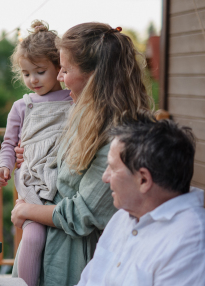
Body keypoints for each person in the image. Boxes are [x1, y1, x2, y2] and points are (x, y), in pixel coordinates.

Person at [10, 22, 153, 286]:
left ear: (94, 75)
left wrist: (27, 210)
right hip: (52, 246)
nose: (60, 77)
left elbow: (82, 214)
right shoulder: (82, 114)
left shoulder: (119, 135)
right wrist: (30, 158)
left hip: (78, 260)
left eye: (65, 69)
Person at [77, 113, 205, 285]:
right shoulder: (123, 216)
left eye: (112, 168)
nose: (105, 177)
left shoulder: (191, 243)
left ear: (143, 180)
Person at [0, 20, 72, 286]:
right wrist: (4, 166)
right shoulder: (22, 106)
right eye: (26, 74)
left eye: (40, 71)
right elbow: (8, 143)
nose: (32, 80)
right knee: (34, 236)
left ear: (59, 68)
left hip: (63, 181)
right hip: (34, 183)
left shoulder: (75, 100)